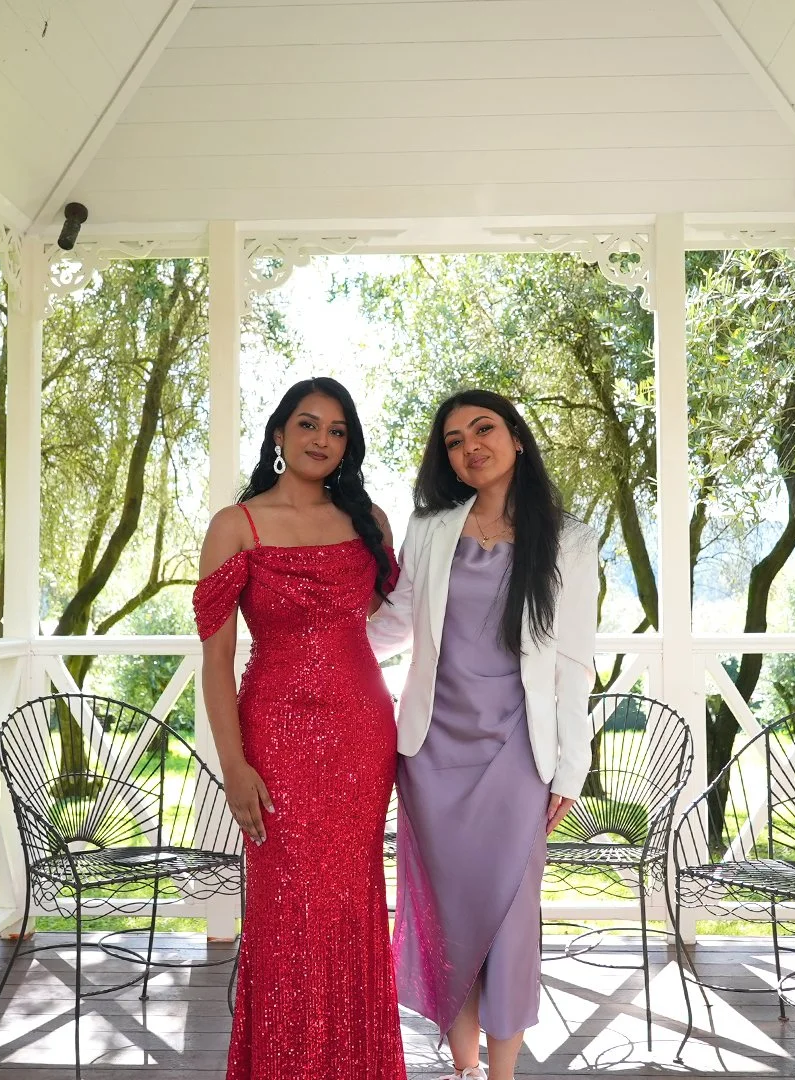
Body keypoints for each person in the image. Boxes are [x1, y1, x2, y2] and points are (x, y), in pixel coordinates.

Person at [369, 389, 598, 1080]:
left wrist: (572, 766)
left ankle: (501, 1075)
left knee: (511, 922)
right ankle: (464, 1070)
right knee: (449, 920)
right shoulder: (431, 529)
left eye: (484, 429)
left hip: (518, 755)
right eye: (454, 441)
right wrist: (314, 635)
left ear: (516, 438)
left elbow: (573, 662)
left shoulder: (571, 541)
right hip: (432, 754)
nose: (471, 446)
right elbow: (396, 622)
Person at [193, 377, 405, 1080]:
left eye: (337, 430)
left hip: (362, 733)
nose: (322, 439)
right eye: (308, 424)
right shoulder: (236, 525)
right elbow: (216, 662)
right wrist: (234, 766)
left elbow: (387, 617)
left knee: (349, 903)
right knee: (287, 908)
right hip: (275, 738)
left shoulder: (369, 521)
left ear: (349, 445)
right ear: (279, 433)